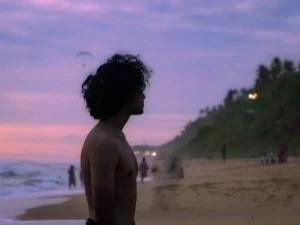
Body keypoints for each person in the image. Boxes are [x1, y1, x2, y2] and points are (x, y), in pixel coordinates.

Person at [80, 53, 152, 225]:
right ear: (123, 94)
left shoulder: (116, 137)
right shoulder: (105, 143)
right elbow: (103, 214)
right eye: (138, 89)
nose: (144, 95)